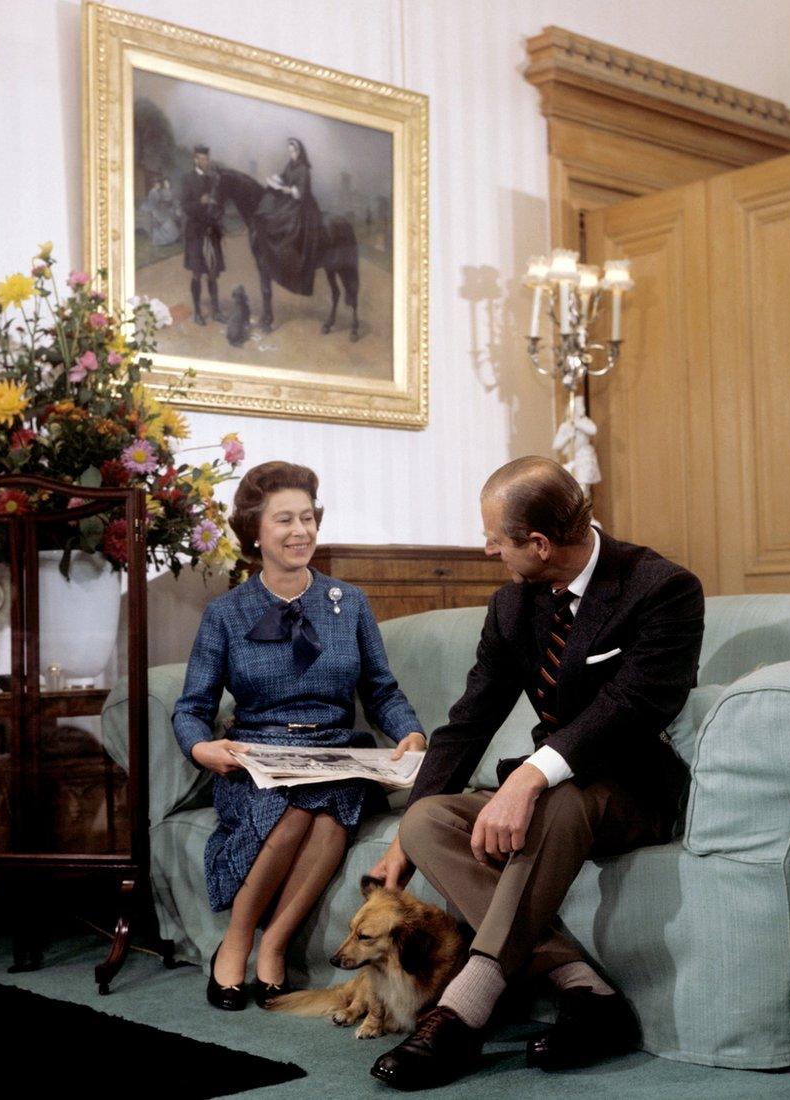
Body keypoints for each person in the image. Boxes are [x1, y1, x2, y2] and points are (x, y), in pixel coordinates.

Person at [366, 456, 704, 1090]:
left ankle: (464, 1013)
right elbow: (469, 720)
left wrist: (527, 779)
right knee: (428, 818)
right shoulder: (512, 606)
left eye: (496, 537)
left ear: (540, 544)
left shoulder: (662, 587)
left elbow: (631, 707)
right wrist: (403, 839)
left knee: (551, 799)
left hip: (634, 788)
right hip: (556, 790)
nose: (488, 548)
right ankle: (584, 989)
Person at [172, 460, 426, 1012]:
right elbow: (191, 708)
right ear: (255, 532)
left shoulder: (349, 603)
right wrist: (202, 747)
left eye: (308, 518)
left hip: (335, 750)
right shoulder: (226, 614)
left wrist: (410, 733)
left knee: (333, 806)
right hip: (258, 755)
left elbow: (381, 689)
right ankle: (236, 944)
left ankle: (276, 947)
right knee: (295, 811)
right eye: (284, 519)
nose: (300, 531)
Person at [252, 137, 323, 296]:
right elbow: (284, 177)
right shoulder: (290, 165)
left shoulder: (303, 168)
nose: (291, 154)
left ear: (299, 152)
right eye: (289, 151)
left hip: (303, 204)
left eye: (293, 151)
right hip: (291, 200)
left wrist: (289, 190)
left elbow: (302, 191)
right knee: (273, 211)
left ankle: (287, 252)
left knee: (287, 220)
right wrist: (275, 180)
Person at [181, 145, 225, 325]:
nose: (205, 162)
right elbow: (184, 205)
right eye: (201, 159)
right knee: (197, 273)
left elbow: (220, 206)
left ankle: (216, 312)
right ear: (195, 159)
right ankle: (198, 312)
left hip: (211, 232)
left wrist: (217, 210)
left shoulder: (212, 180)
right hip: (196, 233)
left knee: (213, 273)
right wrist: (200, 203)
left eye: (207, 159)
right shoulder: (187, 179)